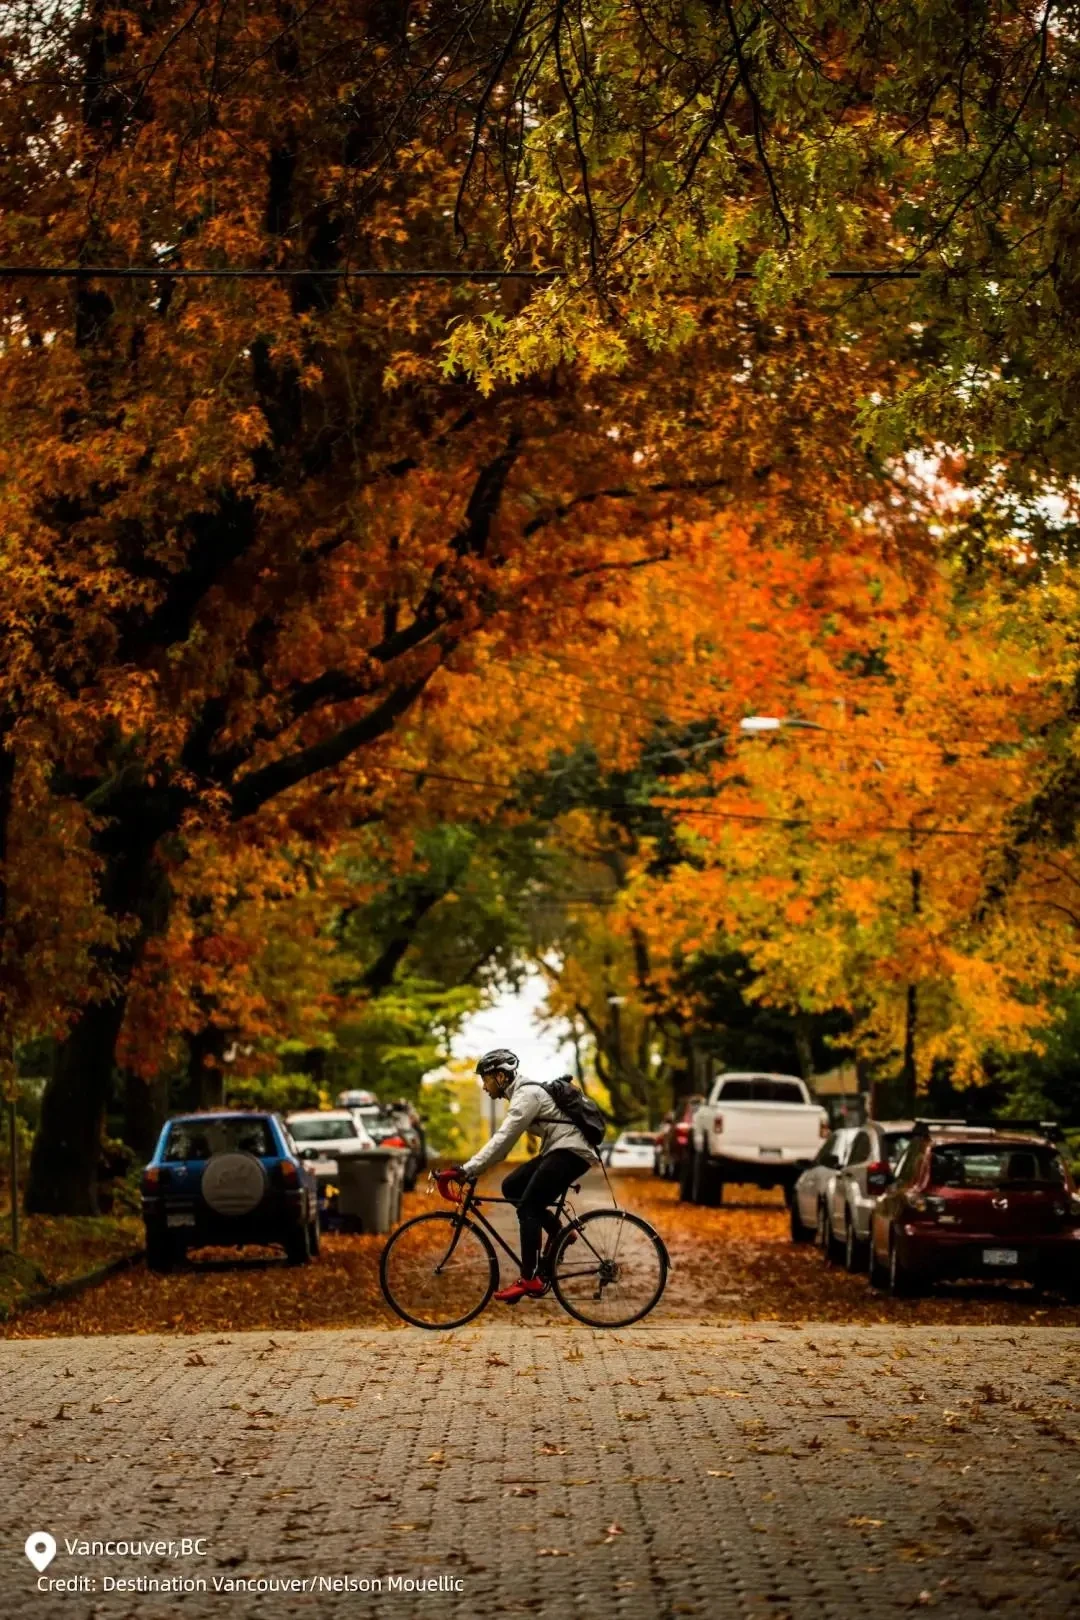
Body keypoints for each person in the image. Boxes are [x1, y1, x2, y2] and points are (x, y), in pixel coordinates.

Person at [439, 1048, 596, 1304]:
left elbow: (502, 1142)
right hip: (561, 1149)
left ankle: (529, 1277)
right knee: (512, 1186)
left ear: (501, 1076)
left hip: (572, 1152)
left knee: (529, 1208)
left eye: (486, 1079)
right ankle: (561, 1233)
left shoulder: (526, 1096)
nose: (484, 1086)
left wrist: (467, 1169)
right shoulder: (523, 1095)